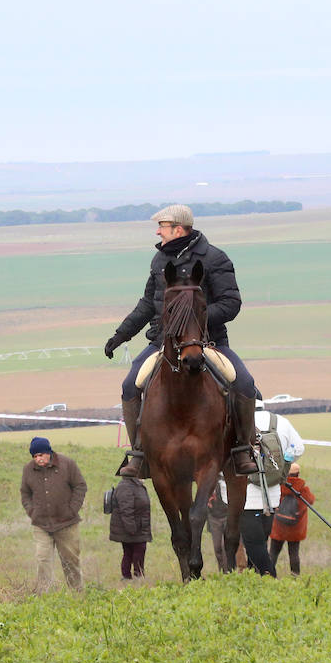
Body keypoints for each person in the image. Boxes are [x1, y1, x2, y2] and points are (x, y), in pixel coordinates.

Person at [104, 204, 259, 478]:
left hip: (209, 342)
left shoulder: (214, 258)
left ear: (178, 229)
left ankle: (242, 449)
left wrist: (194, 322)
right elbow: (147, 304)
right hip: (163, 343)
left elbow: (231, 303)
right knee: (129, 386)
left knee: (245, 383)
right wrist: (121, 334)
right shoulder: (159, 261)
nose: (157, 232)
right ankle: (139, 452)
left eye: (161, 227)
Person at [222, 404, 304, 576]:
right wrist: (283, 462)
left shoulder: (234, 422)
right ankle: (255, 580)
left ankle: (271, 578)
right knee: (261, 542)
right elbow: (298, 448)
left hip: (245, 497)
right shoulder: (280, 421)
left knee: (254, 544)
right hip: (272, 495)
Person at [18, 437, 87, 593]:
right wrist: (32, 511)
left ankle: (77, 593)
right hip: (41, 525)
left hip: (66, 524)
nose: (38, 459)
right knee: (42, 559)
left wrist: (72, 510)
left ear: (48, 452)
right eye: (35, 456)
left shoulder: (67, 464)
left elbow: (80, 486)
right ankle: (44, 594)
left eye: (41, 455)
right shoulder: (28, 469)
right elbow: (25, 493)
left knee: (70, 561)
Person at [269, 461, 313, 576]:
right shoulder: (303, 489)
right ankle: (295, 576)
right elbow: (311, 500)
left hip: (279, 527)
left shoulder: (279, 487)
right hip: (296, 529)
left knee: (273, 553)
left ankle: (269, 574)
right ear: (298, 474)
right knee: (294, 554)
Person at [107, 476, 152, 580]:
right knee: (137, 551)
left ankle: (129, 576)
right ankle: (135, 576)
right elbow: (126, 510)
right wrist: (131, 529)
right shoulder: (126, 487)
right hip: (133, 529)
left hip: (137, 527)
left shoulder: (135, 485)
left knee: (131, 552)